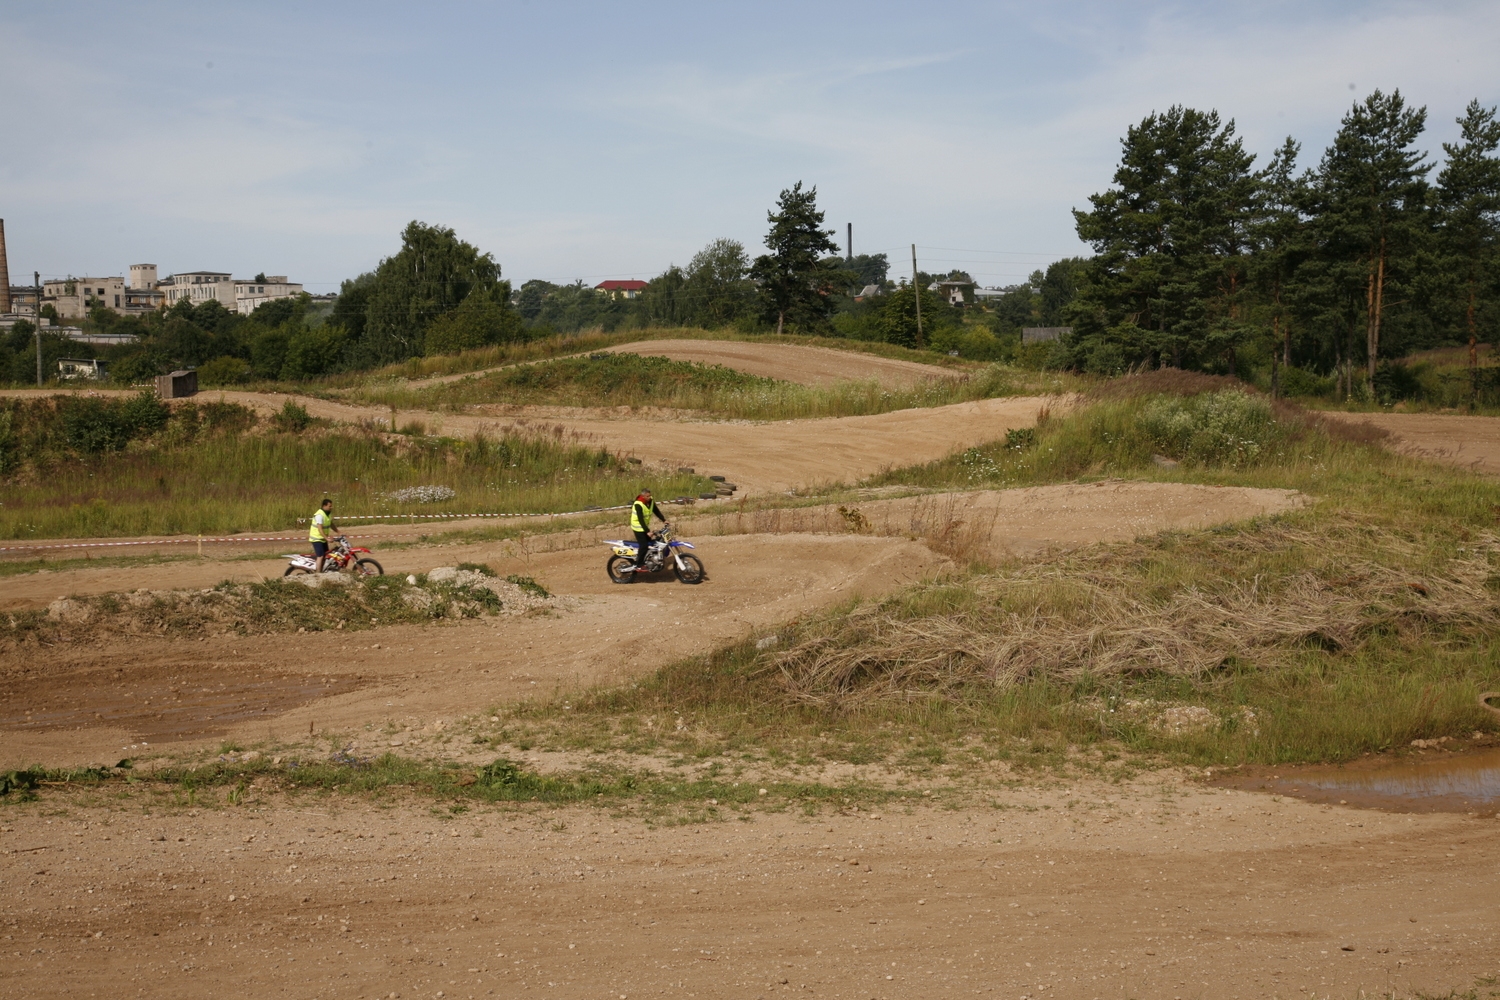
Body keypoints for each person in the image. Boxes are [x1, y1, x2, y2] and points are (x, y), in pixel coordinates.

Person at [628, 488, 669, 573]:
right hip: (637, 527)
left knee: (652, 544)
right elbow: (640, 519)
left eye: (650, 495)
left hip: (644, 527)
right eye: (647, 496)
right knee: (644, 545)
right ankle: (638, 565)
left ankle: (648, 560)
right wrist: (647, 531)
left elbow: (656, 510)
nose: (649, 497)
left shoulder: (650, 501)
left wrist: (664, 520)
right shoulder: (638, 504)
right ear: (643, 496)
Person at [309, 498, 338, 572]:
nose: (331, 507)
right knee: (320, 556)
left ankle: (324, 570)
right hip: (316, 538)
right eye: (330, 506)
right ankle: (318, 574)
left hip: (323, 538)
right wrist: (327, 538)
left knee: (326, 555)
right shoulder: (319, 515)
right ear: (324, 506)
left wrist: (339, 532)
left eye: (331, 506)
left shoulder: (328, 513)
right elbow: (320, 529)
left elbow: (331, 524)